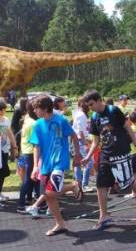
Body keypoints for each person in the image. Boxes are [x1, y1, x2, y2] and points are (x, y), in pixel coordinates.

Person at [81, 90, 136, 230]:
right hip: (105, 155)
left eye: (91, 104)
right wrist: (88, 157)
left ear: (99, 100)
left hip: (121, 153)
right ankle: (104, 215)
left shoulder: (114, 111)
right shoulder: (94, 117)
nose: (90, 108)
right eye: (88, 106)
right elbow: (96, 140)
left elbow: (128, 128)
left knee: (128, 180)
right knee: (101, 185)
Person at [30, 95, 83, 236]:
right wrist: (35, 166)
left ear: (45, 108)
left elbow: (74, 136)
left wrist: (77, 154)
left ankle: (73, 186)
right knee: (48, 196)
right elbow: (36, 146)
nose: (34, 111)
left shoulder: (61, 120)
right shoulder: (37, 125)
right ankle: (60, 224)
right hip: (45, 165)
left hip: (60, 162)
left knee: (50, 192)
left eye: (36, 108)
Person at [17, 100, 40, 213]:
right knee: (29, 180)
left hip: (26, 152)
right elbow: (37, 142)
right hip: (31, 153)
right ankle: (21, 205)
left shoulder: (26, 119)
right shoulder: (34, 123)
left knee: (34, 179)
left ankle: (36, 202)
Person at [73, 98, 94, 192]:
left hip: (76, 140)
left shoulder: (77, 113)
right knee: (89, 162)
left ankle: (78, 183)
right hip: (80, 140)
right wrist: (86, 143)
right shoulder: (82, 115)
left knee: (77, 163)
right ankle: (84, 184)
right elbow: (81, 132)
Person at [0, 99, 18, 202]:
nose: (3, 112)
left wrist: (14, 147)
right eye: (1, 110)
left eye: (4, 110)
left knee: (3, 173)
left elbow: (10, 134)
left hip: (4, 150)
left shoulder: (6, 120)